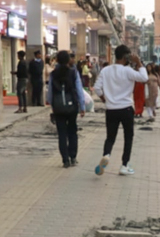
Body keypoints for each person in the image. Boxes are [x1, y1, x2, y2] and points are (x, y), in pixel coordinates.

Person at [93, 45, 149, 175]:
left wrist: (104, 99)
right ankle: (124, 165)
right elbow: (144, 78)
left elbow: (97, 88)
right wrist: (139, 63)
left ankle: (106, 154)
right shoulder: (128, 71)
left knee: (110, 137)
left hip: (111, 109)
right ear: (126, 57)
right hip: (126, 109)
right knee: (128, 137)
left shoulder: (105, 70)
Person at [49, 50, 87, 167]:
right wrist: (82, 105)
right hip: (72, 107)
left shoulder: (53, 74)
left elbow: (50, 93)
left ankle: (65, 160)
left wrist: (53, 105)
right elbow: (79, 90)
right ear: (68, 60)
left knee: (61, 133)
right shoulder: (73, 73)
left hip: (58, 108)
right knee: (72, 132)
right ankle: (73, 157)